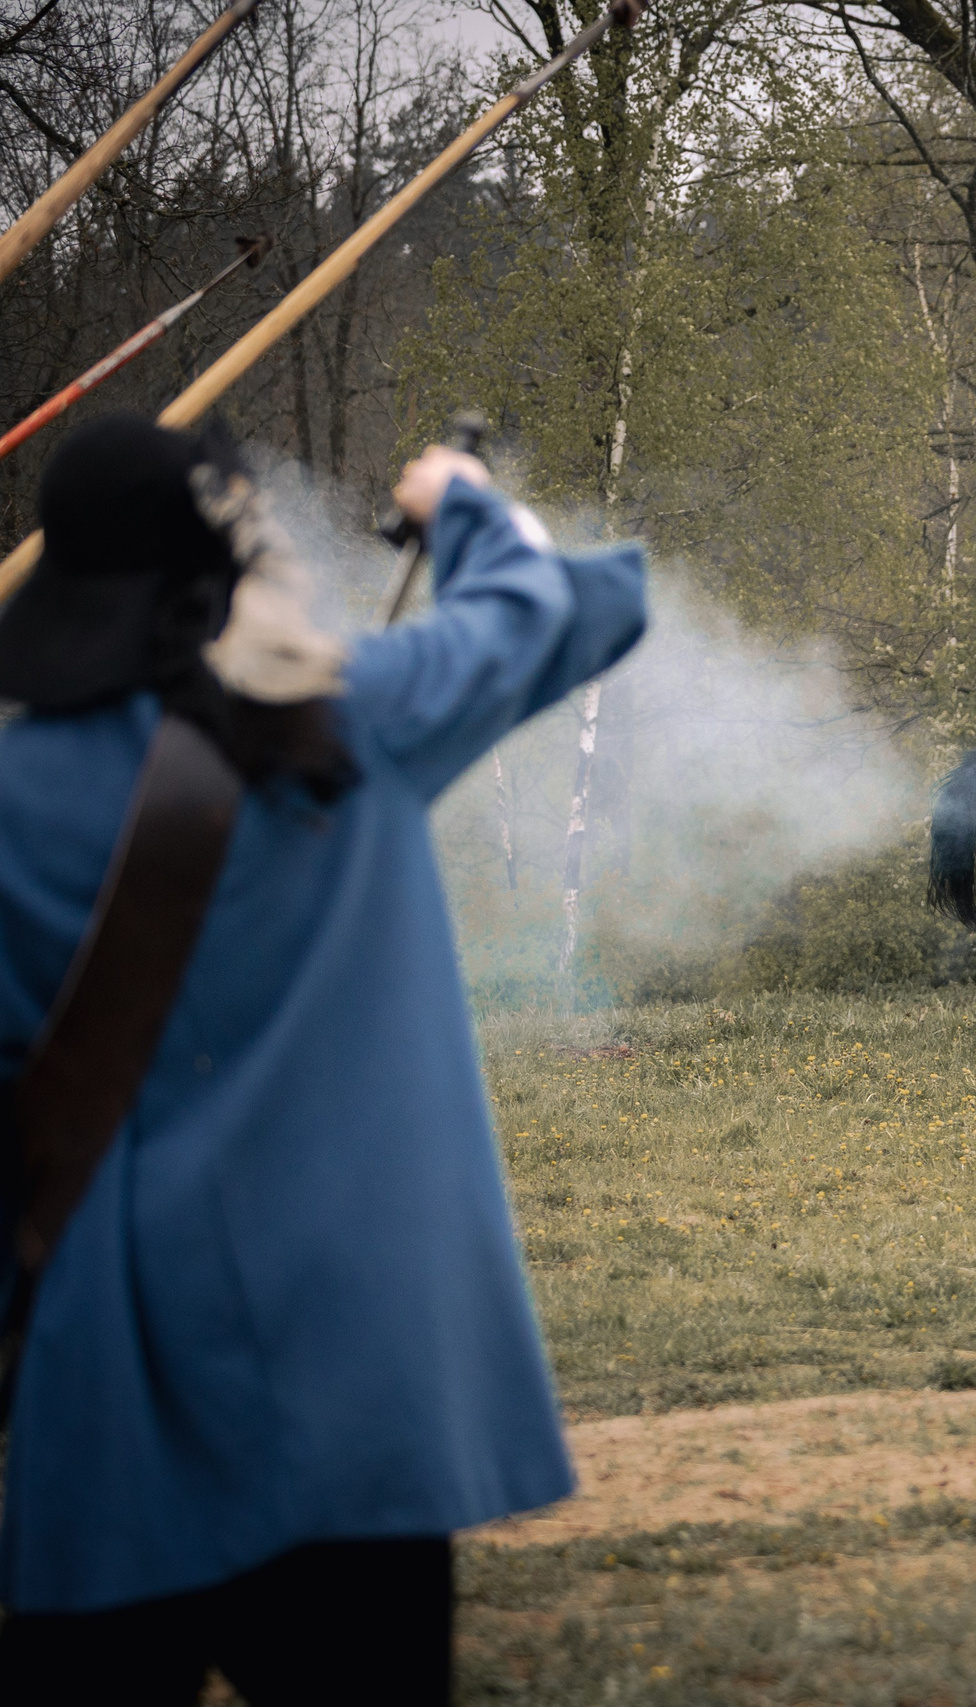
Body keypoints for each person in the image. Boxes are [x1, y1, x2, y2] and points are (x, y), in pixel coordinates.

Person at [0, 414, 645, 1699]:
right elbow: (552, 608)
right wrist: (460, 499)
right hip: (354, 1378)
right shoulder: (354, 716)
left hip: (104, 1388)